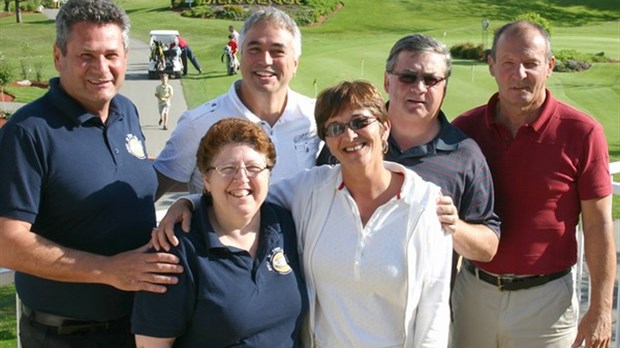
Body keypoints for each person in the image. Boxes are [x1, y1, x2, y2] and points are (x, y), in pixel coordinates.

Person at [155, 81, 453, 347]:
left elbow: (434, 310)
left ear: (384, 127)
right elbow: (244, 194)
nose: (349, 135)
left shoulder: (426, 205)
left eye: (360, 121)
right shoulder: (310, 191)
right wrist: (191, 202)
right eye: (335, 128)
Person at [0, 1, 183, 346]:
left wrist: (187, 198)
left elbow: (124, 185)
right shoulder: (29, 132)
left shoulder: (126, 111)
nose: (101, 68)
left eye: (111, 55)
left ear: (125, 58)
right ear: (58, 57)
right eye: (86, 55)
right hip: (66, 335)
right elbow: (6, 243)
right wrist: (109, 270)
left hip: (138, 327)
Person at [452, 20, 615, 348]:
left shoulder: (583, 132)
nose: (519, 74)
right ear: (492, 66)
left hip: (547, 305)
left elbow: (597, 226)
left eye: (531, 63)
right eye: (509, 63)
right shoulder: (465, 129)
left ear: (550, 66)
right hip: (473, 294)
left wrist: (601, 307)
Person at [318, 34, 500, 273]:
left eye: (431, 79)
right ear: (387, 81)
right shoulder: (347, 139)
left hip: (422, 307)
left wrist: (453, 225)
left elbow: (488, 247)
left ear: (444, 88)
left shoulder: (466, 156)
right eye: (408, 77)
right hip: (341, 300)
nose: (419, 88)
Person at [132, 118, 308, 347]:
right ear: (206, 179)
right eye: (228, 168)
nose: (241, 179)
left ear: (269, 174)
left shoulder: (284, 224)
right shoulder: (175, 248)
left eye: (254, 168)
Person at [154, 7, 321, 199]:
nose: (265, 60)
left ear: (295, 64)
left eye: (277, 51)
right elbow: (146, 195)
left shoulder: (315, 116)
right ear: (240, 56)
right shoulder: (198, 124)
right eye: (254, 49)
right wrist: (187, 203)